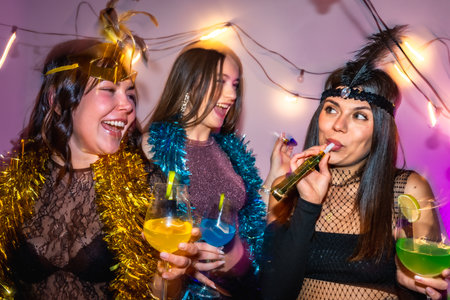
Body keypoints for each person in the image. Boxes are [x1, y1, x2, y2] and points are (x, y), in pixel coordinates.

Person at [0, 38, 201, 299]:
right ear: (58, 100)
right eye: (109, 90)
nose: (128, 105)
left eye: (130, 94)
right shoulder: (14, 180)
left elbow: (161, 294)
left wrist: (171, 274)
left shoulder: (145, 184)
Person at [261, 26, 449, 300]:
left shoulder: (407, 190)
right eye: (331, 109)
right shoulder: (286, 188)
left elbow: (432, 285)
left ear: (380, 132)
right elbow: (274, 292)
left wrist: (419, 284)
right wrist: (308, 205)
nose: (338, 125)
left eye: (360, 116)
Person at [143, 40, 291, 299]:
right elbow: (143, 233)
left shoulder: (228, 151)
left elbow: (253, 217)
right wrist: (184, 263)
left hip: (242, 290)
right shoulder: (153, 145)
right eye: (220, 82)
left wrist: (276, 172)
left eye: (234, 84)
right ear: (190, 83)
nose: (232, 95)